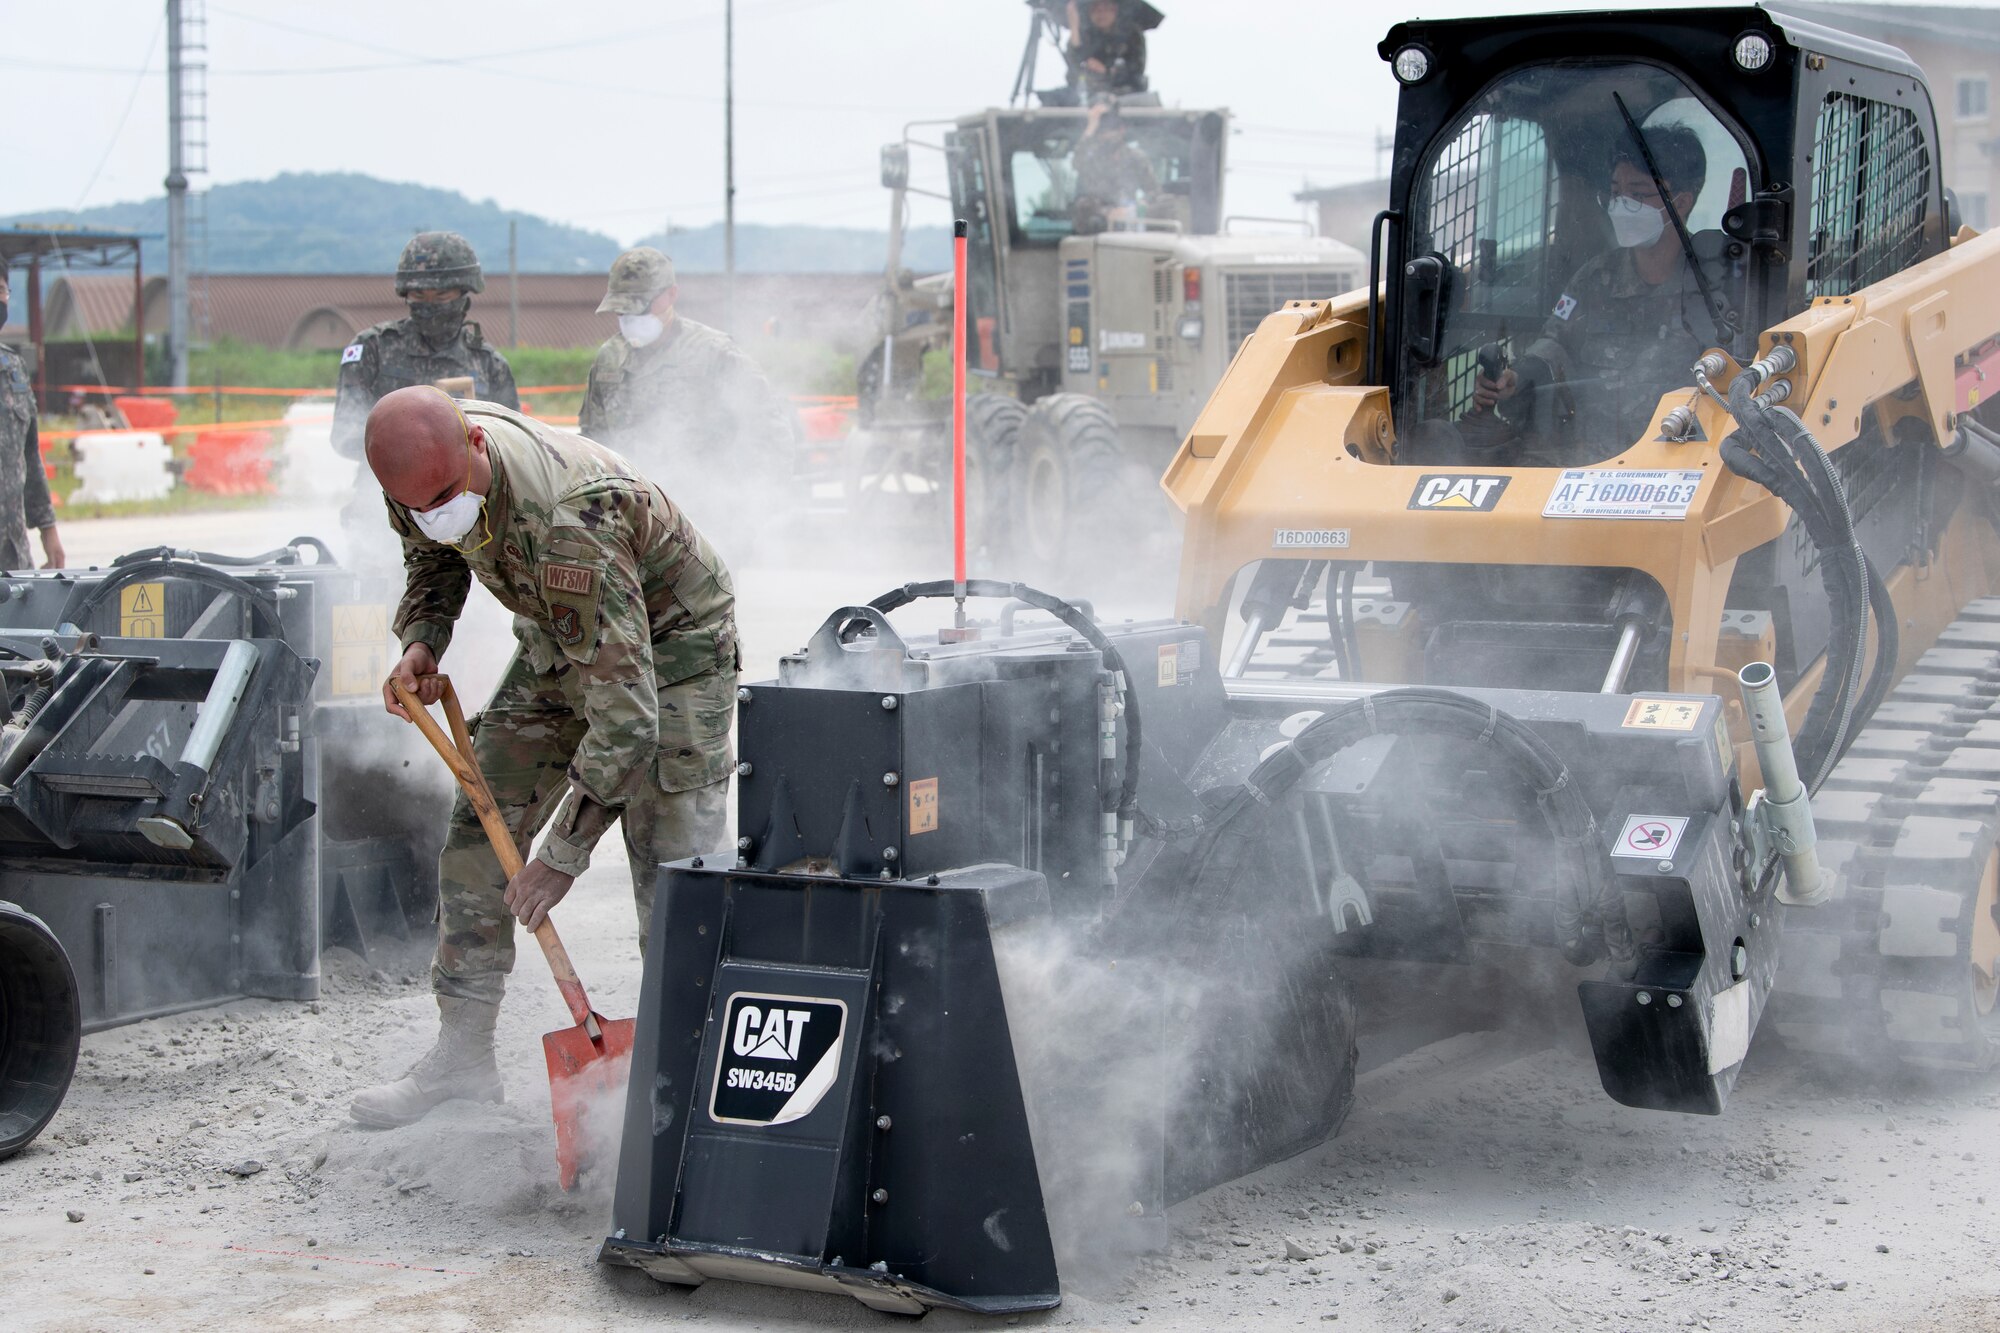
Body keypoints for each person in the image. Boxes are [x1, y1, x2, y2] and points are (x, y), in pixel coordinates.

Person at [348, 386, 737, 1127]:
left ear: (478, 449)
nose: (435, 514)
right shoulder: (420, 477)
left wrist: (561, 855)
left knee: (671, 860)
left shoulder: (571, 524)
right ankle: (461, 1058)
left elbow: (627, 720)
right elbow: (434, 556)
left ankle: (690, 1075)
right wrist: (422, 640)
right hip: (565, 633)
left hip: (675, 650)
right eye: (417, 506)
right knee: (478, 827)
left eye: (444, 498)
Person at [1472, 125, 1713, 461]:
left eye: (1638, 193)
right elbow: (1554, 346)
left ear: (1682, 201)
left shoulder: (1716, 286)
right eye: (1616, 192)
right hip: (1590, 469)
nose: (1621, 205)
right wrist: (1516, 378)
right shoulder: (1596, 278)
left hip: (1688, 468)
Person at [577, 247, 796, 486]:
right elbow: (593, 442)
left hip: (706, 508)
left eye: (640, 305)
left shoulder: (715, 354)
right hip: (631, 509)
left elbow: (769, 433)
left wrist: (758, 503)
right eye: (622, 308)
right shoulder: (610, 358)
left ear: (671, 295)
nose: (630, 316)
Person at [329, 232, 519, 465]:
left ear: (464, 295)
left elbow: (513, 447)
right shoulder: (372, 349)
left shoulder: (490, 365)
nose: (430, 305)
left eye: (441, 295)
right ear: (406, 295)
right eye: (419, 295)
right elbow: (345, 435)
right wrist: (409, 449)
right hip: (382, 491)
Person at [0, 272, 64, 571]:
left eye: (1, 290)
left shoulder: (13, 369)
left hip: (12, 553)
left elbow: (29, 454)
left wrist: (47, 528)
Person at [1072, 101, 1159, 232]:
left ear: (1121, 130)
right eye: (1101, 133)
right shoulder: (1092, 160)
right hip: (1095, 231)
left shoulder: (1136, 158)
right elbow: (1077, 162)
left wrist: (1139, 206)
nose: (1105, 136)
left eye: (1109, 131)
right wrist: (1091, 127)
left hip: (1130, 229)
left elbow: (1154, 191)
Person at [1067, 0, 1149, 98]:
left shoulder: (1132, 35)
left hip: (1126, 94)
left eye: (1106, 9)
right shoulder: (1086, 35)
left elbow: (1136, 69)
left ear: (1115, 11)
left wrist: (1107, 71)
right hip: (1089, 94)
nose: (1101, 14)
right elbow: (1073, 66)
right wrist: (1074, 27)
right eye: (1095, 10)